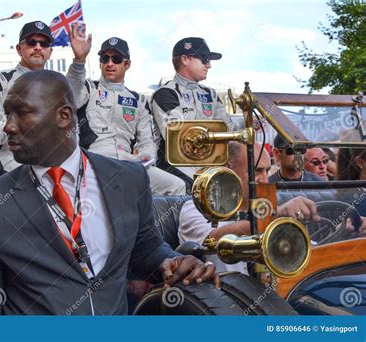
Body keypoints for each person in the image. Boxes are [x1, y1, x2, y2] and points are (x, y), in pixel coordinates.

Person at [0, 70, 218, 315]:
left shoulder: (129, 178)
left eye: (22, 113)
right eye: (7, 114)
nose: (8, 127)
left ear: (64, 116)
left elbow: (145, 249)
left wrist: (172, 262)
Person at [66, 25, 186, 195]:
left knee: (176, 186)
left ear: (127, 64)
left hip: (128, 164)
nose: (109, 63)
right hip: (93, 162)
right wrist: (79, 61)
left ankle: (148, 222)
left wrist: (145, 159)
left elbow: (147, 141)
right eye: (105, 58)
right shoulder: (88, 87)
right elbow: (70, 96)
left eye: (116, 59)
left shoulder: (138, 100)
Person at [179, 142, 321, 274]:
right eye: (257, 171)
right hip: (228, 294)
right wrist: (275, 217)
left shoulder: (266, 208)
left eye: (267, 171)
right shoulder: (198, 207)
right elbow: (212, 240)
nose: (265, 180)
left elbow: (309, 249)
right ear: (229, 170)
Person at [151, 37, 241, 186]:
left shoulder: (210, 94)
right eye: (204, 59)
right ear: (185, 59)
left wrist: (249, 122)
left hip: (207, 163)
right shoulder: (166, 93)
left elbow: (229, 130)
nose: (209, 65)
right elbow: (180, 138)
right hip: (175, 164)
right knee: (196, 187)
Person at [0, 20, 53, 179]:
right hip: (12, 174)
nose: (38, 47)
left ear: (50, 51)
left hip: (52, 175)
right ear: (19, 49)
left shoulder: (58, 86)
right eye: (31, 42)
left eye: (43, 43)